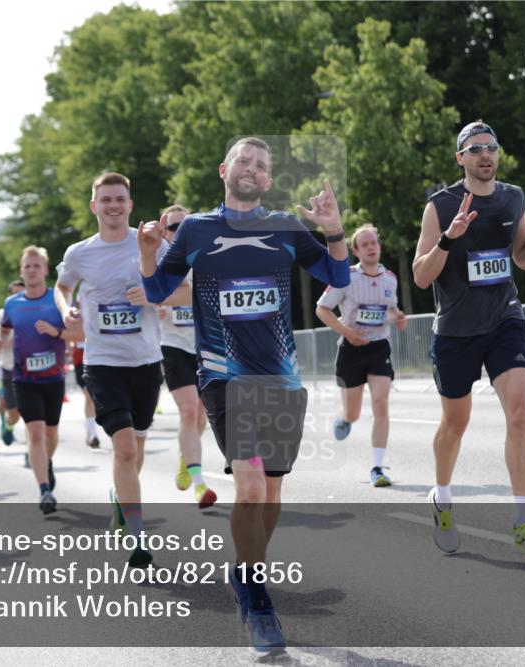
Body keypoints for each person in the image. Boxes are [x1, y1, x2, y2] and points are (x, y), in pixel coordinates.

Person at [140, 137, 350, 656]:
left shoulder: (284, 226)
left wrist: (334, 231)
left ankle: (244, 570)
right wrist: (149, 256)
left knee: (271, 495)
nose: (252, 169)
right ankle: (258, 602)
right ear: (224, 169)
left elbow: (338, 275)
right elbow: (155, 292)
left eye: (262, 164)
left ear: (269, 179)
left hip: (280, 377)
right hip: (221, 375)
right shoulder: (195, 230)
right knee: (251, 486)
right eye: (244, 161)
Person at [412, 120, 525, 558]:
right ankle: (441, 496)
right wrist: (447, 240)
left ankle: (523, 523)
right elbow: (421, 276)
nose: (485, 155)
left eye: (491, 147)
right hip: (455, 331)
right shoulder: (439, 206)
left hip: (503, 322)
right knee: (455, 425)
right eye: (475, 149)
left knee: (520, 416)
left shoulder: (513, 197)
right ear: (461, 159)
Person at [56, 172, 191, 567]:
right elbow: (62, 287)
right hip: (102, 362)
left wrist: (152, 297)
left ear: (130, 206)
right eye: (106, 199)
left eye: (120, 199)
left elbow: (185, 288)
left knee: (137, 448)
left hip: (146, 361)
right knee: (126, 446)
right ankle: (138, 538)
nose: (113, 205)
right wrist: (68, 311)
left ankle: (120, 496)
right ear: (93, 205)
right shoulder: (80, 253)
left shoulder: (151, 244)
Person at [316, 223, 407, 487]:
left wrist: (397, 317)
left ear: (379, 246)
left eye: (373, 243)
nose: (370, 247)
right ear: (356, 251)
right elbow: (322, 309)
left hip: (379, 347)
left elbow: (390, 310)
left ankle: (377, 468)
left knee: (381, 403)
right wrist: (347, 332)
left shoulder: (390, 278)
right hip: (351, 349)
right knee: (354, 414)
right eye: (364, 244)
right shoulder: (345, 277)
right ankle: (344, 418)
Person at [0, 247, 79, 515]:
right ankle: (44, 489)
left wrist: (55, 331)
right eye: (27, 267)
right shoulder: (12, 304)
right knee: (34, 433)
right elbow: (4, 330)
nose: (32, 270)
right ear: (22, 271)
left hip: (54, 377)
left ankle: (47, 461)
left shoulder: (58, 301)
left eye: (36, 266)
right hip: (24, 377)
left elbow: (78, 334)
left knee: (51, 433)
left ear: (45, 270)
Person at [156, 204, 216, 509]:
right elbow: (142, 295)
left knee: (202, 414)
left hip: (204, 345)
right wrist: (156, 306)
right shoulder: (156, 262)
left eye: (184, 225)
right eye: (172, 227)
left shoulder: (206, 259)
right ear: (164, 232)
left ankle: (185, 456)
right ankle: (198, 482)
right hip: (172, 345)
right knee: (190, 412)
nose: (178, 232)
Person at [0, 280, 25, 447]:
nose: (18, 297)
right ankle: (9, 424)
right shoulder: (2, 314)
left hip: (31, 369)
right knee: (14, 414)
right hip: (8, 367)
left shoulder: (33, 310)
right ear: (9, 296)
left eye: (21, 293)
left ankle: (30, 452)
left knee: (32, 413)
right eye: (14, 294)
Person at [71, 339, 101, 449]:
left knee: (94, 397)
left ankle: (89, 425)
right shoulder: (75, 320)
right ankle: (93, 434)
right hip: (80, 360)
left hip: (98, 358)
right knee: (89, 395)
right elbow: (68, 333)